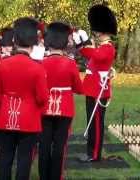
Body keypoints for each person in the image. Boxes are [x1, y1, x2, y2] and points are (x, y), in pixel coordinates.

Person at [0, 17, 49, 180]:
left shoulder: (2, 64)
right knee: (24, 161)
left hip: (6, 117)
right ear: (33, 43)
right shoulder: (37, 68)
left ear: (14, 40)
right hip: (29, 120)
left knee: (4, 159)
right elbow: (42, 98)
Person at [39, 22, 83, 180]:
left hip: (44, 108)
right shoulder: (70, 63)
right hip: (64, 108)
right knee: (59, 146)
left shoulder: (41, 62)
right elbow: (79, 88)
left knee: (44, 145)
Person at [73, 5, 117, 162]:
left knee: (96, 124)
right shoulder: (101, 47)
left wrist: (84, 43)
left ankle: (95, 154)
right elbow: (88, 53)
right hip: (92, 90)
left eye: (97, 30)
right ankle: (90, 151)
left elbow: (95, 55)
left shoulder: (108, 47)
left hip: (99, 91)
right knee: (91, 123)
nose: (95, 33)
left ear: (102, 30)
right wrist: (81, 44)